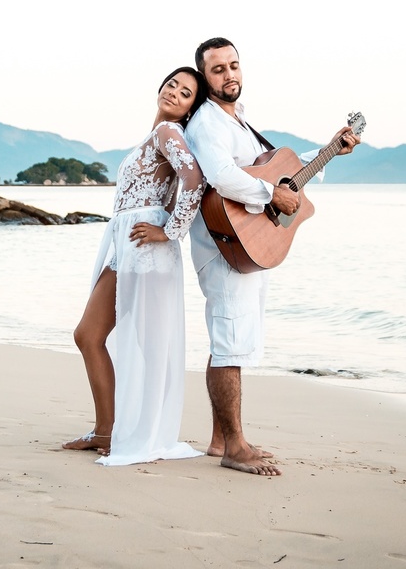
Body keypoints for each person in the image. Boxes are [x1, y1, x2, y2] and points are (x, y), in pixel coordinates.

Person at [185, 38, 359, 476]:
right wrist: (269, 193)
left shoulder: (239, 121)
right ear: (205, 79)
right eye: (218, 69)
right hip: (224, 246)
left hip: (247, 246)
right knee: (229, 342)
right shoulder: (208, 122)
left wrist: (329, 150)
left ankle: (221, 437)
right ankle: (235, 448)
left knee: (232, 341)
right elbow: (222, 177)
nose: (229, 75)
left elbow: (283, 176)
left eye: (234, 66)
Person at [62, 66, 209, 465]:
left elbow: (193, 180)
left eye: (186, 94)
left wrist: (171, 231)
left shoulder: (169, 133)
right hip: (125, 245)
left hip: (146, 249)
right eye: (172, 85)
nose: (175, 94)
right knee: (90, 335)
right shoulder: (156, 134)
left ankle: (134, 433)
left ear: (190, 108)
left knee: (144, 345)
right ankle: (106, 431)